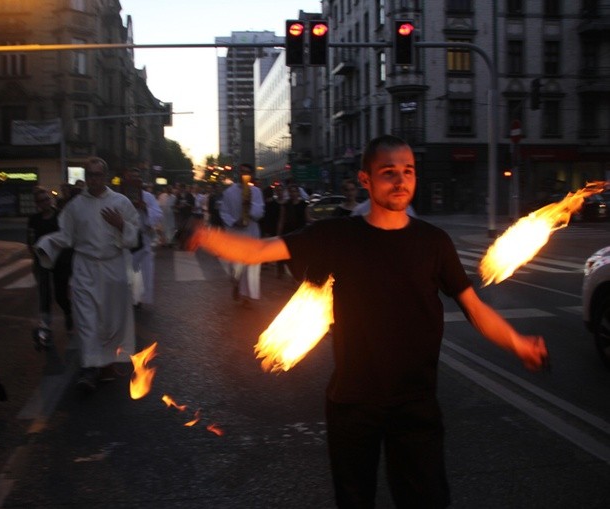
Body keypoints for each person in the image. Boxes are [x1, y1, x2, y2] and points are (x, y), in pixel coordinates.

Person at [187, 135, 549, 508]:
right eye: (388, 172)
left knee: (427, 499)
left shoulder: (434, 242)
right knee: (355, 500)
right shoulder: (337, 236)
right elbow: (261, 250)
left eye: (407, 171)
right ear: (366, 180)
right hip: (353, 402)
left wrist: (517, 342)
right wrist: (206, 235)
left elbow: (474, 308)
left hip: (416, 402)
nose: (400, 180)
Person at [34, 157, 140, 392]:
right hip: (85, 269)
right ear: (85, 177)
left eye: (97, 175)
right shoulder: (75, 206)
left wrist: (121, 224)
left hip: (113, 269)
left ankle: (106, 363)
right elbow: (65, 236)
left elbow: (135, 236)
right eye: (90, 175)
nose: (93, 179)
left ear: (105, 176)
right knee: (87, 320)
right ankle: (89, 368)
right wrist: (46, 244)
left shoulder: (120, 202)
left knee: (111, 321)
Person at [27, 187, 73, 335]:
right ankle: (46, 325)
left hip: (61, 261)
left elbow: (67, 237)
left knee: (60, 295)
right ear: (37, 203)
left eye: (47, 199)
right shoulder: (34, 219)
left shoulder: (60, 216)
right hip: (43, 259)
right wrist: (34, 252)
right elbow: (30, 240)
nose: (45, 203)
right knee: (44, 293)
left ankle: (68, 312)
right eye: (41, 201)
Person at [218, 163, 264, 305]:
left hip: (251, 232)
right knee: (235, 266)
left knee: (250, 265)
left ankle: (246, 296)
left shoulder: (256, 192)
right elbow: (223, 212)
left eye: (248, 172)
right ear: (238, 174)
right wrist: (233, 222)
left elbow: (260, 212)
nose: (244, 174)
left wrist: (249, 205)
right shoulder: (229, 192)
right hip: (235, 233)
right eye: (242, 172)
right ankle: (236, 283)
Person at [122, 168, 163, 308]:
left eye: (136, 176)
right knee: (126, 271)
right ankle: (128, 297)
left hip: (142, 239)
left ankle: (137, 298)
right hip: (126, 240)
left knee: (140, 272)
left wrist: (145, 208)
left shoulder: (148, 197)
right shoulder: (120, 196)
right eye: (131, 176)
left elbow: (158, 214)